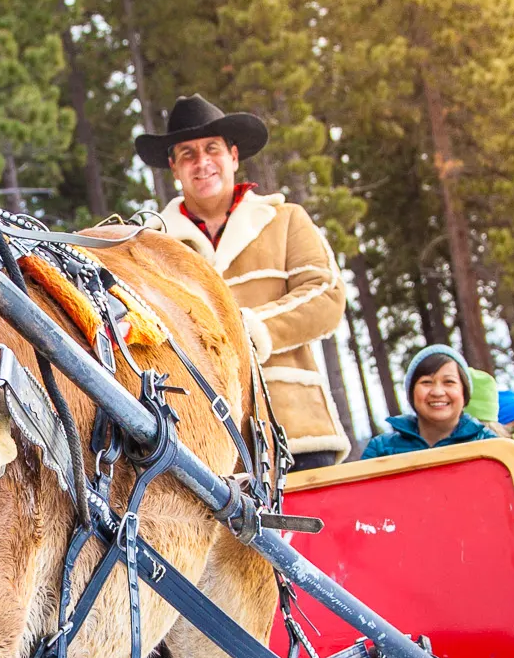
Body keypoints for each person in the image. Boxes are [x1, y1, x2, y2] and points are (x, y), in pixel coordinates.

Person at [140, 95, 351, 467]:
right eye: (187, 154)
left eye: (212, 150)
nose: (201, 163)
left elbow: (327, 298)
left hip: (296, 429)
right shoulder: (150, 243)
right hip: (202, 448)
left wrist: (246, 332)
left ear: (233, 157)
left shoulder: (285, 220)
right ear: (174, 167)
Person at [360, 345, 494, 458]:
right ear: (411, 393)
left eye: (449, 382)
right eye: (426, 382)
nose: (437, 392)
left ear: (464, 392)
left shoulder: (491, 445)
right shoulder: (381, 449)